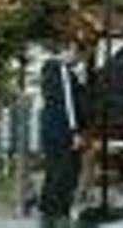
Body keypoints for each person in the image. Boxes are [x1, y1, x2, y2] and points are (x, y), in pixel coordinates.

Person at [39, 46, 86, 228]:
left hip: (49, 127)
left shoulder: (47, 71)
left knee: (52, 170)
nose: (78, 57)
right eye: (77, 52)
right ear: (67, 51)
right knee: (67, 170)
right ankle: (59, 212)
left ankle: (47, 213)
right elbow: (69, 105)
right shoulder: (62, 72)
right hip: (63, 129)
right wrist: (75, 131)